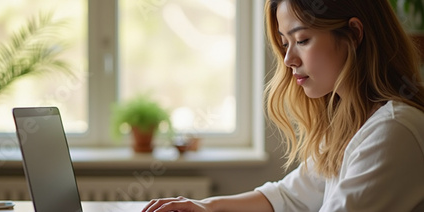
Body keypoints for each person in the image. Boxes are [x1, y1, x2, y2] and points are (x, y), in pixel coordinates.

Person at [142, 0, 424, 211]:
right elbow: (290, 196)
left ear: (353, 33)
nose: (288, 59)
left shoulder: (393, 131)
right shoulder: (351, 121)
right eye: (284, 42)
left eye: (301, 40)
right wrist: (207, 206)